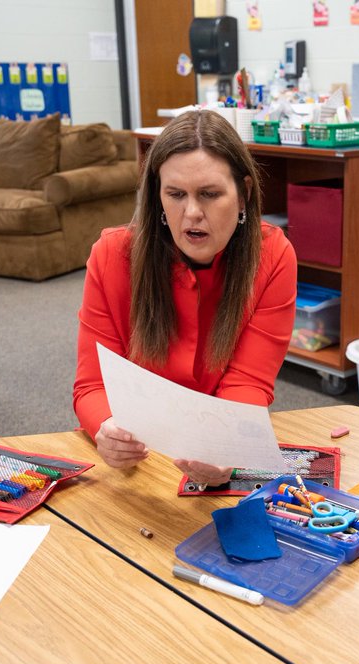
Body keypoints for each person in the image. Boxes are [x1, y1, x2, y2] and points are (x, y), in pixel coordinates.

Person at [73, 110, 297, 485]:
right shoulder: (112, 255)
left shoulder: (273, 254)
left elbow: (249, 381)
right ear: (157, 196)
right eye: (175, 195)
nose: (192, 213)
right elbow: (92, 385)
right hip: (134, 458)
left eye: (210, 194)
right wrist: (107, 429)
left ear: (243, 194)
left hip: (216, 438)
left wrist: (225, 444)